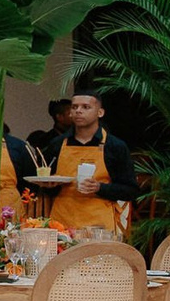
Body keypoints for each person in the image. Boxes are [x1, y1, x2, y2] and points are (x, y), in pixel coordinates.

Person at [45, 91, 137, 234]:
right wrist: (50, 185)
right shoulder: (56, 145)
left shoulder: (115, 146)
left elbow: (130, 190)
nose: (78, 111)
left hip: (99, 225)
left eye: (85, 107)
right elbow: (46, 187)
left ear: (100, 112)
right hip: (62, 221)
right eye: (74, 107)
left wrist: (100, 188)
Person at [26, 98, 75, 172]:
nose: (75, 116)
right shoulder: (46, 140)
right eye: (70, 113)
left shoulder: (79, 137)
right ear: (59, 117)